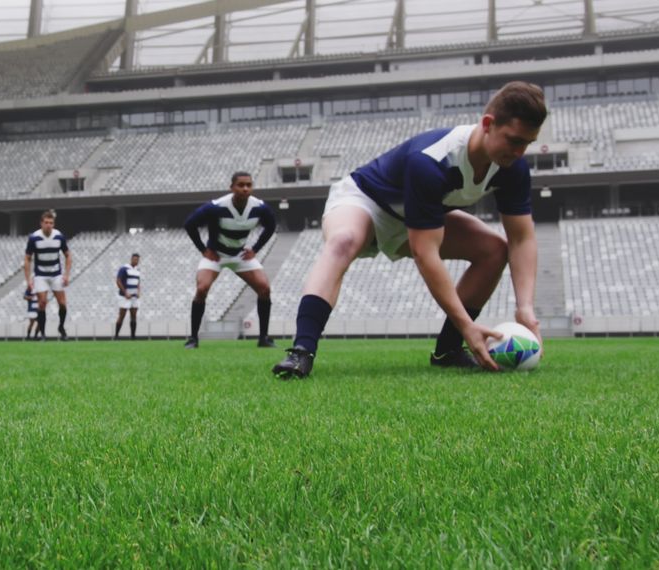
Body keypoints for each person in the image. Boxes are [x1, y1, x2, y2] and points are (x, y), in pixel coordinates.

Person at [273, 81, 547, 379]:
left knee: (494, 250)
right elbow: (424, 252)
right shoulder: (431, 161)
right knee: (343, 241)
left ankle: (448, 351)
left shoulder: (512, 168)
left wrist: (525, 309)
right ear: (487, 124)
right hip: (366, 201)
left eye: (527, 144)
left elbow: (521, 238)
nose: (520, 152)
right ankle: (301, 352)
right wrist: (468, 325)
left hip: (413, 217)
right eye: (513, 140)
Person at [182, 171, 277, 349]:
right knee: (201, 289)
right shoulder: (216, 207)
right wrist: (204, 250)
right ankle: (193, 339)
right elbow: (190, 224)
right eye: (241, 185)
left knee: (264, 289)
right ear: (232, 187)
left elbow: (271, 226)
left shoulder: (260, 207)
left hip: (240, 255)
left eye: (249, 185)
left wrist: (255, 249)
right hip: (216, 256)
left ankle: (264, 338)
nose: (245, 189)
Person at [24, 210, 72, 340]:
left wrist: (66, 275)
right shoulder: (34, 238)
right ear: (41, 223)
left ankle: (61, 327)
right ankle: (43, 333)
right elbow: (27, 258)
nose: (48, 225)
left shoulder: (59, 236)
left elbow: (68, 255)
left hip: (56, 274)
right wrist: (28, 279)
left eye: (51, 223)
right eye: (46, 222)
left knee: (62, 303)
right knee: (42, 303)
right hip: (41, 275)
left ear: (53, 224)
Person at [114, 253, 141, 339]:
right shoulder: (124, 268)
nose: (136, 261)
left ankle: (133, 336)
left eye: (138, 260)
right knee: (122, 315)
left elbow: (138, 282)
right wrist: (125, 292)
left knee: (134, 315)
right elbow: (118, 281)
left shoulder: (137, 270)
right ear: (131, 259)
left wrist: (139, 291)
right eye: (135, 259)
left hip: (134, 296)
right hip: (124, 296)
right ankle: (116, 336)